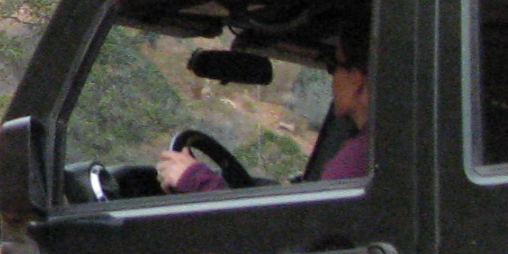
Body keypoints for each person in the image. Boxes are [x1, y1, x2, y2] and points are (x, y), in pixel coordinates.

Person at [154, 32, 370, 194]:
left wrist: (196, 180)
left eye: (334, 66)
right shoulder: (373, 149)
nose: (333, 79)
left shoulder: (360, 157)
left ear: (357, 78)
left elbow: (296, 233)